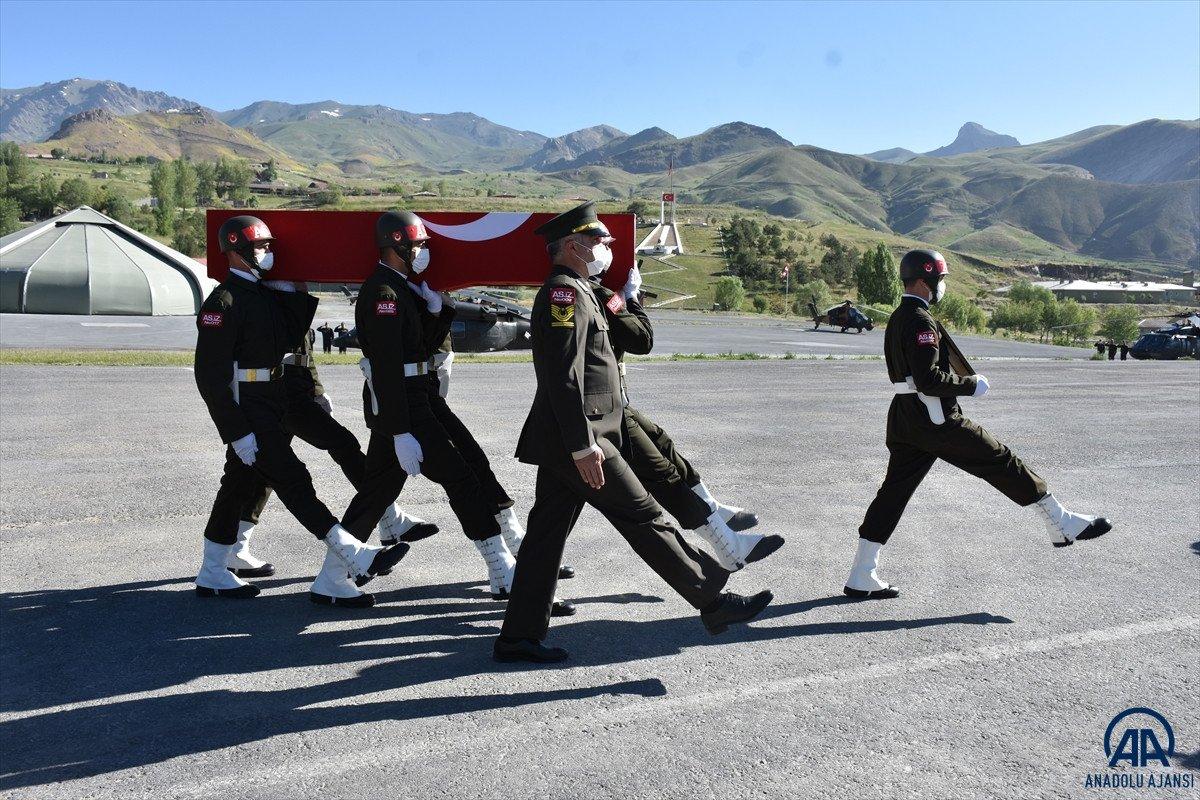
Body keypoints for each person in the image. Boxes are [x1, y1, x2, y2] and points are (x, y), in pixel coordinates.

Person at [495, 202, 773, 664]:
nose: (607, 248)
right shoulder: (564, 294)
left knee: (544, 538)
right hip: (582, 442)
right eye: (599, 241)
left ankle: (519, 636)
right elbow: (562, 376)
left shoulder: (583, 290)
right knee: (644, 516)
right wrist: (583, 445)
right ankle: (713, 602)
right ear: (572, 246)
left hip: (576, 438)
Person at [338, 211, 573, 613]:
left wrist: (437, 310)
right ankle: (503, 570)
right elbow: (388, 365)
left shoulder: (400, 288)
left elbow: (420, 349)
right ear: (395, 246)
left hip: (419, 396)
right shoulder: (384, 294)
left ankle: (331, 576)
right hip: (405, 406)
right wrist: (398, 431)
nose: (424, 252)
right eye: (418, 245)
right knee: (461, 478)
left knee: (382, 489)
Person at [846, 249, 1111, 599]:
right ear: (925, 281)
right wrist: (970, 385)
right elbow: (928, 379)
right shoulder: (921, 321)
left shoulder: (899, 317)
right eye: (939, 281)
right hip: (934, 417)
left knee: (893, 493)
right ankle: (1061, 522)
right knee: (1000, 459)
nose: (942, 287)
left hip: (905, 419)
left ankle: (862, 573)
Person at [192, 215, 407, 601]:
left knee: (237, 485)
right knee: (293, 479)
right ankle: (354, 554)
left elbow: (290, 340)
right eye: (260, 247)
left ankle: (212, 571)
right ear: (238, 252)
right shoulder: (222, 302)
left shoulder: (259, 294)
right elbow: (209, 377)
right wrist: (236, 431)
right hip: (248, 409)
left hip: (270, 401)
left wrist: (296, 289)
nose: (268, 253)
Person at [227, 309, 439, 607]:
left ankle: (235, 547)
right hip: (280, 392)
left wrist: (316, 388)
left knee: (264, 474)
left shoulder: (289, 296)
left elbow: (304, 351)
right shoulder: (270, 298)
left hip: (294, 388)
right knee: (334, 448)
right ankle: (388, 517)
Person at [589, 262, 783, 571]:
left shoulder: (592, 290)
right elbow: (642, 340)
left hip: (610, 404)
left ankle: (714, 512)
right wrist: (633, 299)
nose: (606, 250)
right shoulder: (592, 292)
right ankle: (728, 546)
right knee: (662, 477)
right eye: (597, 242)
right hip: (600, 411)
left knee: (660, 443)